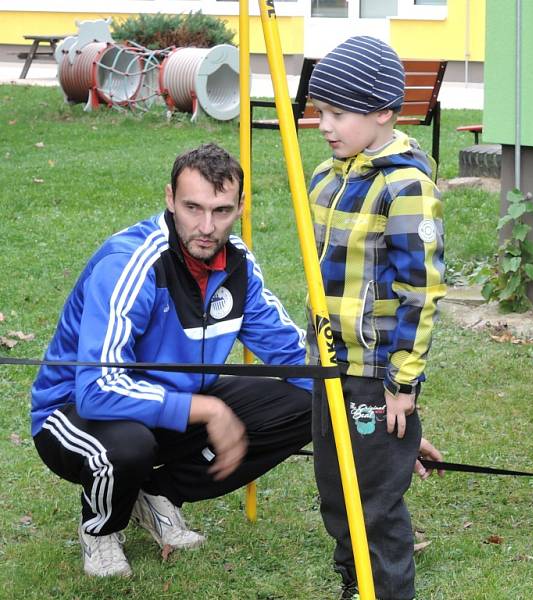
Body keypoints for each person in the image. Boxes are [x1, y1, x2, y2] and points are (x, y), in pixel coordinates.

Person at [30, 143, 316, 577]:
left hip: (171, 402)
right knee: (129, 447)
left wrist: (373, 423)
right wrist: (208, 409)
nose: (206, 226)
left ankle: (155, 493)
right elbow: (94, 391)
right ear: (169, 199)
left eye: (221, 211)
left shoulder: (237, 265)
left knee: (306, 405)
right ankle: (102, 528)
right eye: (192, 207)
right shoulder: (130, 263)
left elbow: (299, 358)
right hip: (71, 415)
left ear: (241, 206)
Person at [305, 36, 446, 599]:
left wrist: (402, 384)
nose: (324, 126)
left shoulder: (404, 187)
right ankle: (353, 584)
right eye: (320, 112)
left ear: (384, 112)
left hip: (374, 373)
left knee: (374, 501)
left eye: (338, 114)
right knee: (335, 492)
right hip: (328, 365)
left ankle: (386, 590)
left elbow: (422, 291)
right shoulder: (325, 177)